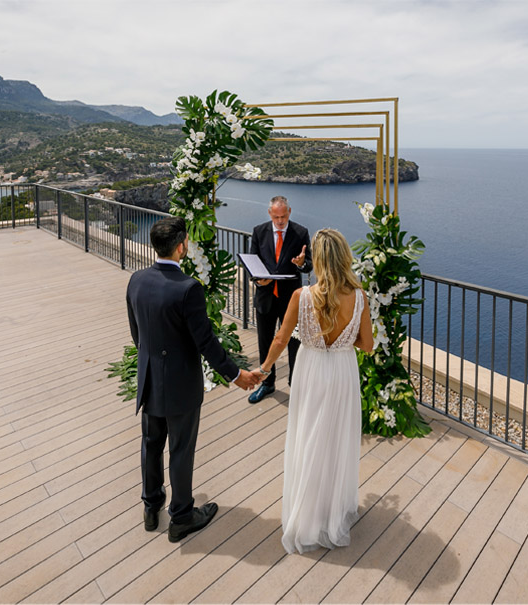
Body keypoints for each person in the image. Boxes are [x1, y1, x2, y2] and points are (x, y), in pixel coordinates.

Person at [126, 216, 259, 543]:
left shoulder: (136, 280)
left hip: (148, 379)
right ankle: (182, 516)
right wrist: (236, 374)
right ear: (181, 246)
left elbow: (136, 335)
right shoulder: (188, 288)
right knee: (181, 449)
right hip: (180, 384)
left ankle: (151, 506)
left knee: (151, 444)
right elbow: (206, 342)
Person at [251, 228, 374, 554]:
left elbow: (279, 340)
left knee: (308, 435)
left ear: (317, 260)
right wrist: (345, 339)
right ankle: (333, 511)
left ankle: (308, 513)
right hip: (343, 371)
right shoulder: (360, 296)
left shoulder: (301, 297)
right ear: (345, 257)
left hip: (311, 370)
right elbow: (368, 345)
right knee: (336, 438)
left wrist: (262, 371)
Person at [247, 195, 313, 404]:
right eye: (276, 217)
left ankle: (295, 384)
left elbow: (309, 265)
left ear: (289, 212)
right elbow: (252, 264)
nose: (280, 221)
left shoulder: (300, 232)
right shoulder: (259, 231)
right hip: (265, 297)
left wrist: (302, 263)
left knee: (294, 343)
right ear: (270, 214)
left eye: (283, 216)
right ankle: (268, 383)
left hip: (290, 299)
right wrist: (259, 282)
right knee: (265, 341)